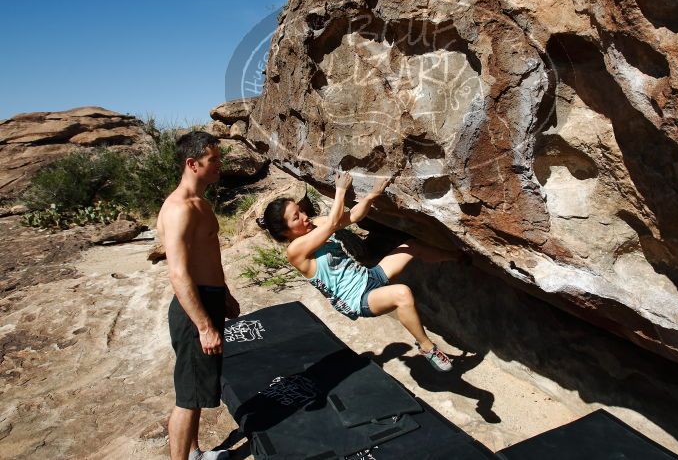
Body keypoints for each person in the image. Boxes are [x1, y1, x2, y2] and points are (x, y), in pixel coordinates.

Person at [258, 170, 461, 372]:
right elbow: (333, 223)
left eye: (301, 210)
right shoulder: (295, 252)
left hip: (368, 276)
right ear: (285, 231)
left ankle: (459, 257)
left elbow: (353, 216)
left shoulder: (316, 225)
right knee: (402, 294)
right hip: (357, 299)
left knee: (413, 246)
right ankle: (428, 349)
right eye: (296, 217)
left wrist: (372, 195)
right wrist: (340, 190)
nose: (304, 216)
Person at [157, 131, 240, 460]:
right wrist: (204, 326)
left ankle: (193, 452)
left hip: (209, 298)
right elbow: (178, 273)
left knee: (197, 389)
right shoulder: (179, 209)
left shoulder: (200, 202)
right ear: (193, 164)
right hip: (195, 310)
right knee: (188, 398)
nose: (220, 165)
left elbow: (207, 258)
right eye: (214, 161)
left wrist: (225, 295)